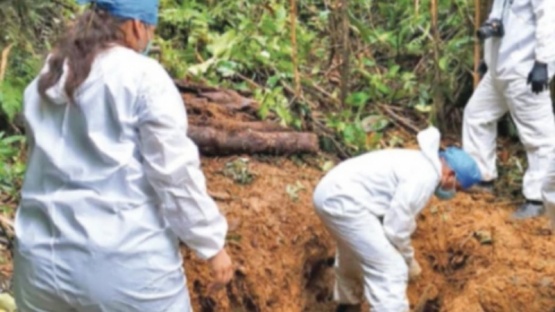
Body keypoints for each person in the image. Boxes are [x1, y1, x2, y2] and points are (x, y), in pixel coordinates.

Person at [13, 0, 233, 311]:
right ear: (136, 26)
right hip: (125, 267)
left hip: (38, 264)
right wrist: (211, 244)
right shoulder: (144, 77)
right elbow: (174, 175)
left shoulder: (48, 74)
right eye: (151, 29)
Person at [313, 127, 481, 312]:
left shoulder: (418, 162)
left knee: (356, 253)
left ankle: (348, 306)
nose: (453, 191)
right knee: (391, 269)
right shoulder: (425, 178)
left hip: (331, 192)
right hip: (344, 202)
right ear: (450, 175)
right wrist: (408, 261)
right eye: (456, 187)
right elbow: (395, 229)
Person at [462, 0, 555, 219]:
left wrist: (543, 63)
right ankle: (481, 177)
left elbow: (549, 21)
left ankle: (538, 199)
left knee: (539, 137)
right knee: (476, 116)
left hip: (525, 73)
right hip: (499, 72)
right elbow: (501, 21)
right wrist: (488, 59)